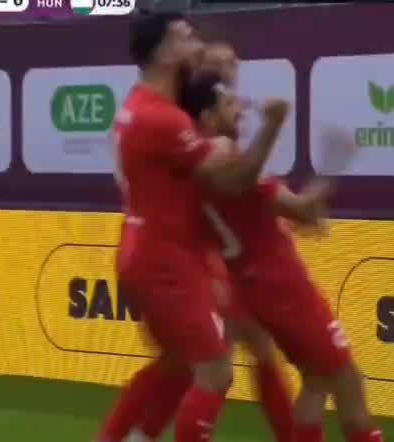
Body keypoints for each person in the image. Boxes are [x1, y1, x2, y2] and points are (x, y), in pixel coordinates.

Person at [95, 12, 289, 442]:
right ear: (167, 53)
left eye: (231, 64)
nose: (200, 48)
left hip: (172, 250)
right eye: (190, 39)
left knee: (186, 362)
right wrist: (265, 132)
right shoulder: (170, 120)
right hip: (172, 257)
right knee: (215, 368)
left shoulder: (147, 109)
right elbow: (231, 181)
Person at [181, 71, 385, 442]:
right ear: (208, 117)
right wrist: (333, 164)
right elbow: (303, 208)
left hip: (255, 285)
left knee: (316, 379)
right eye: (229, 104)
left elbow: (261, 213)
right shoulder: (231, 164)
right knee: (348, 383)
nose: (241, 110)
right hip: (284, 287)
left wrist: (285, 220)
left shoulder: (196, 168)